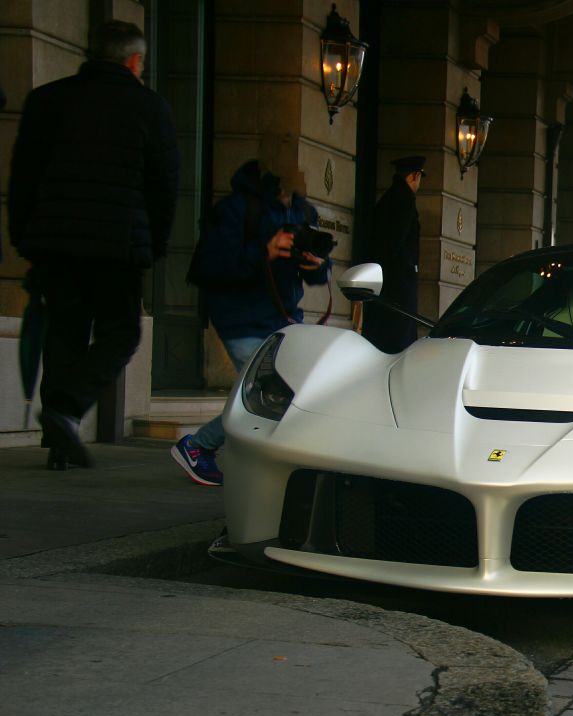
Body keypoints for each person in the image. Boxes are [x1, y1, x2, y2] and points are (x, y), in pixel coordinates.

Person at [7, 20, 180, 469]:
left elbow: (22, 177)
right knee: (121, 332)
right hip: (116, 246)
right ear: (135, 61)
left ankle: (58, 442)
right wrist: (155, 244)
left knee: (64, 333)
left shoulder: (47, 101)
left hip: (55, 243)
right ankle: (65, 409)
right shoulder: (150, 108)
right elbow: (164, 187)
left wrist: (24, 237)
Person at [170, 157, 331, 485]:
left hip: (284, 320)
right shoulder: (237, 209)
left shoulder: (302, 212)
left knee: (284, 395)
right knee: (269, 395)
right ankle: (199, 446)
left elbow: (315, 274)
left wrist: (315, 265)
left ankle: (230, 454)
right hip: (241, 318)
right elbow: (215, 266)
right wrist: (265, 251)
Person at [362, 155, 423, 353]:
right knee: (398, 343)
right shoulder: (404, 201)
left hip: (388, 286)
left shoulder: (389, 198)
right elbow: (395, 243)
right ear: (414, 176)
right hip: (397, 289)